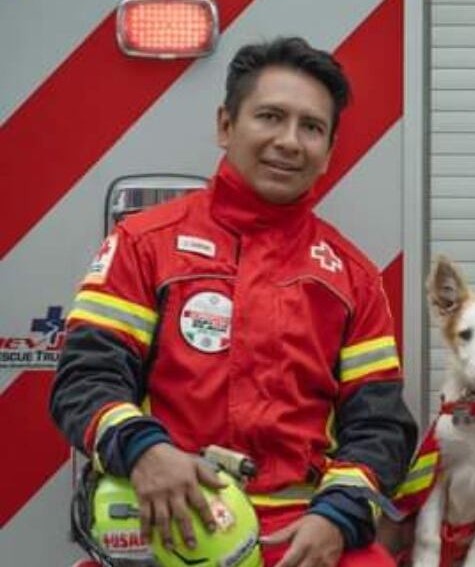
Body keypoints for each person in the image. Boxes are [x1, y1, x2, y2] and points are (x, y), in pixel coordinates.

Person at [51, 37, 418, 567]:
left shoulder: (354, 279)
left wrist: (337, 516)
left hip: (297, 541)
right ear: (226, 126)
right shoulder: (144, 244)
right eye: (270, 116)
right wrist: (145, 451)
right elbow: (85, 380)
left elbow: (379, 426)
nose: (289, 142)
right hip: (168, 525)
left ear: (329, 152)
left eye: (311, 127)